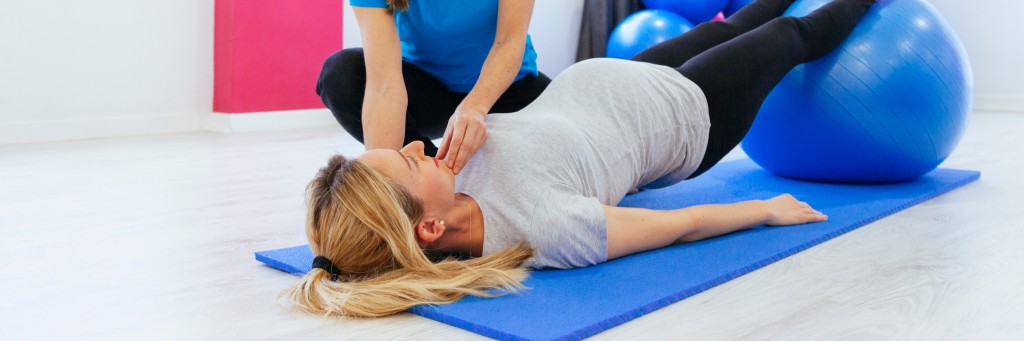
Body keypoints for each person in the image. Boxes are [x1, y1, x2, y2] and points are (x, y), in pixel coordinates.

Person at [286, 0, 876, 317]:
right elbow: (678, 226)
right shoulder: (547, 229)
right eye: (410, 161)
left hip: (621, 84)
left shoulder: (451, 173)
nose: (420, 145)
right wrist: (763, 210)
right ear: (431, 225)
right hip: (686, 116)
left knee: (745, 18)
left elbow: (508, 48)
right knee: (790, 34)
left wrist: (461, 119)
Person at [317, 0, 550, 174]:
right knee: (340, 74)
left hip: (507, 88)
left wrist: (474, 108)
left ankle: (449, 178)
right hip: (428, 92)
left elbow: (509, 40)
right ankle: (433, 175)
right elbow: (384, 83)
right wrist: (385, 184)